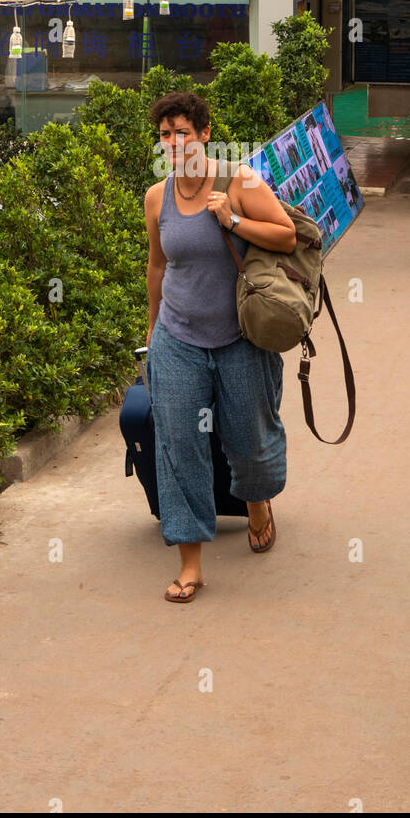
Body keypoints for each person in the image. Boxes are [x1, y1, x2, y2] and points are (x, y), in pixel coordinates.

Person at [144, 92, 297, 604]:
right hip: (178, 337)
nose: (173, 143)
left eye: (182, 132)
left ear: (205, 134)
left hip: (240, 338)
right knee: (179, 445)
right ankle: (190, 564)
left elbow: (286, 236)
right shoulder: (155, 197)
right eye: (165, 134)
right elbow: (158, 267)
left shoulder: (239, 181)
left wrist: (230, 219)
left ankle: (257, 503)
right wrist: (151, 335)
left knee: (249, 440)